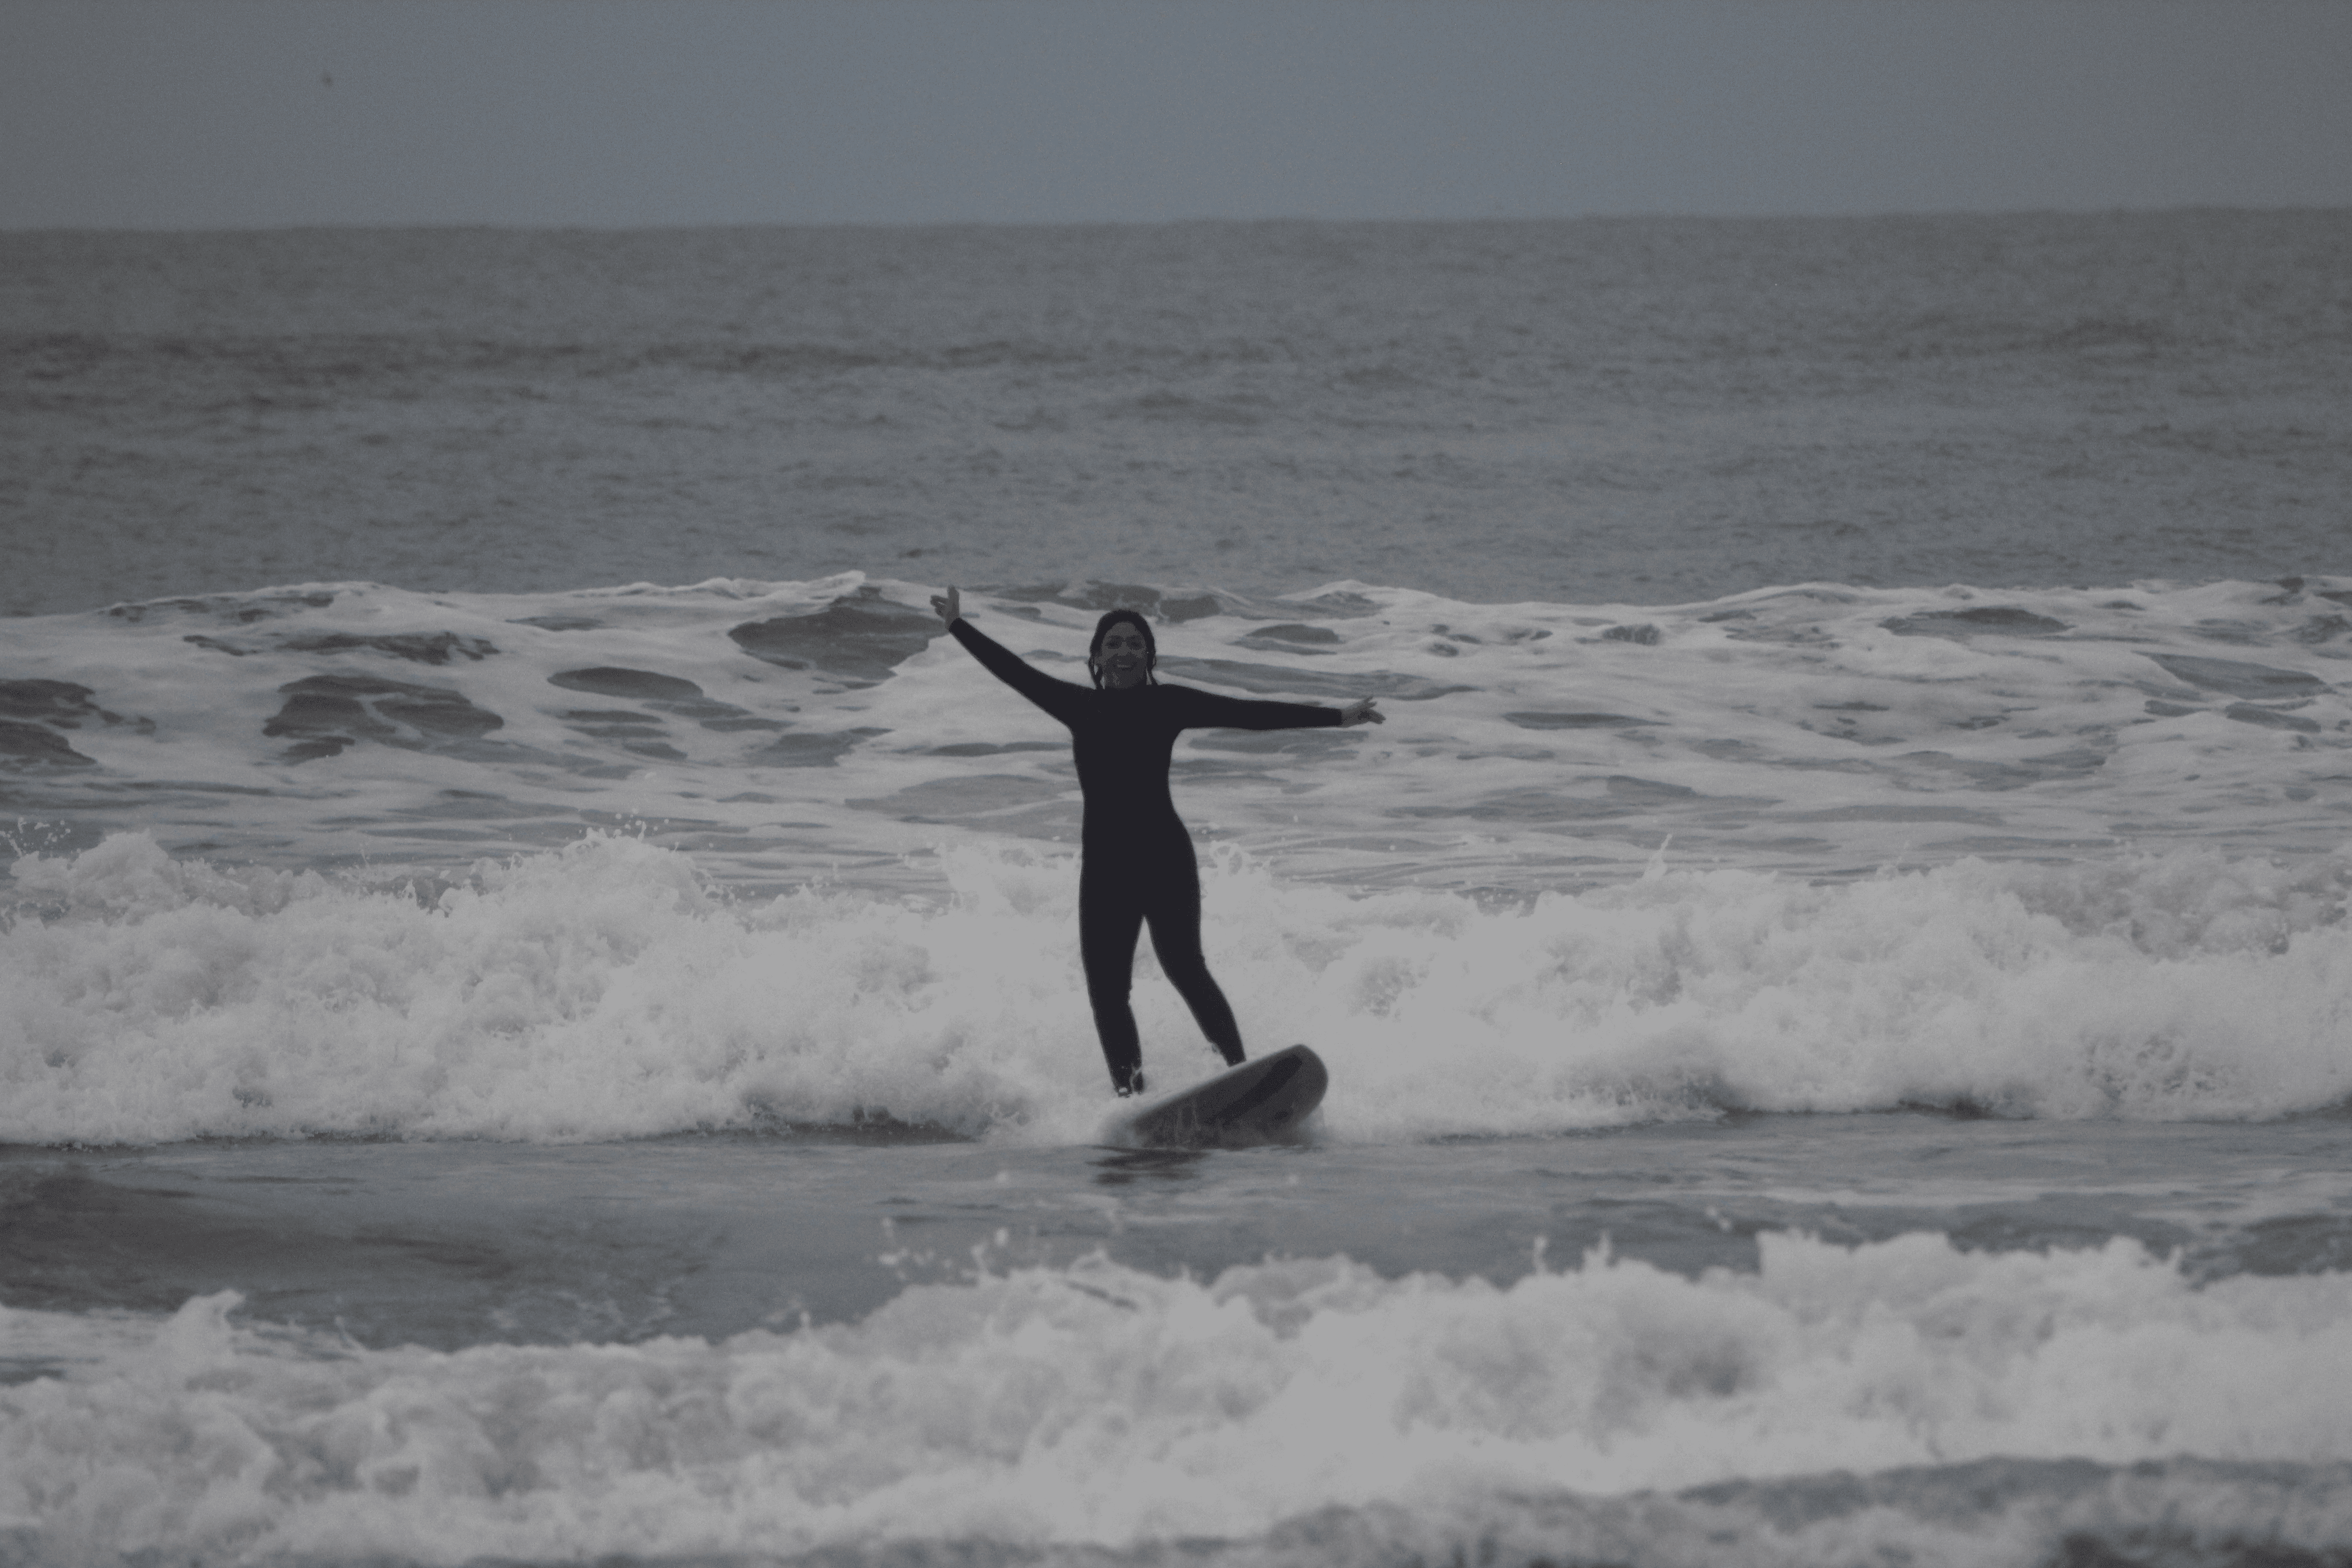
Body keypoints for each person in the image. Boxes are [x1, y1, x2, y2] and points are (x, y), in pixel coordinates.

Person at [928, 586, 1383, 1096]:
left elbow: (1249, 713)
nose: (1124, 651)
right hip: (1105, 871)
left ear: (1148, 656)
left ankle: (1240, 1074)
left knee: (1186, 969)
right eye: (1114, 643)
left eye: (1135, 643)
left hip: (1164, 858)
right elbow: (1014, 671)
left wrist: (1336, 717)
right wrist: (958, 626)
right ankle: (1131, 1099)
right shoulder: (1076, 706)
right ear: (1097, 657)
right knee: (1107, 993)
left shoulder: (1167, 704)